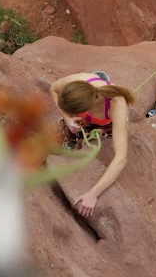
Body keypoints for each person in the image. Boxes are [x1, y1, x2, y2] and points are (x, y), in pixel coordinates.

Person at [50, 71, 136, 217]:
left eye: (72, 111)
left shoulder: (117, 104)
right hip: (82, 118)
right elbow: (53, 89)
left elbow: (121, 158)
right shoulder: (76, 81)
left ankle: (91, 131)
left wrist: (93, 194)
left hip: (105, 122)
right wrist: (67, 118)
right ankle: (72, 132)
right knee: (64, 136)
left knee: (104, 136)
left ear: (87, 108)